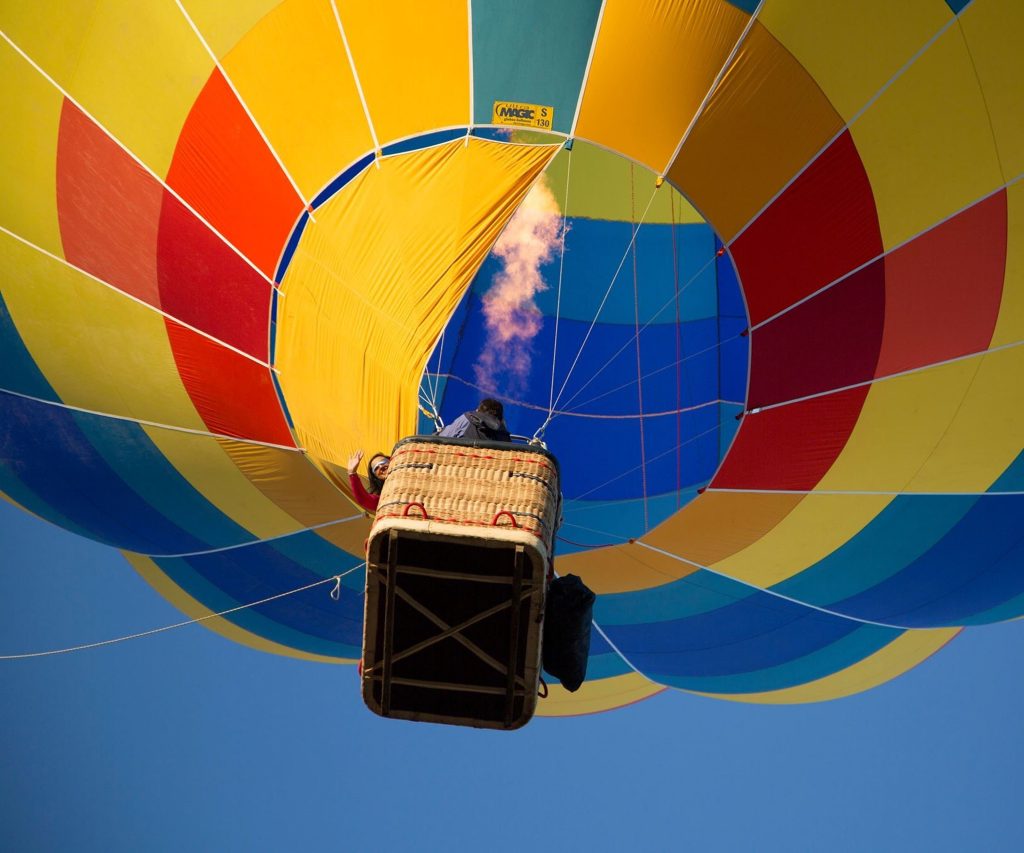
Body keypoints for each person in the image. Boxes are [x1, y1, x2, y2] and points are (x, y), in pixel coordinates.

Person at [439, 398, 511, 442]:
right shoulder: (504, 435)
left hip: (461, 459)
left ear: (478, 410)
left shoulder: (468, 418)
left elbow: (443, 436)